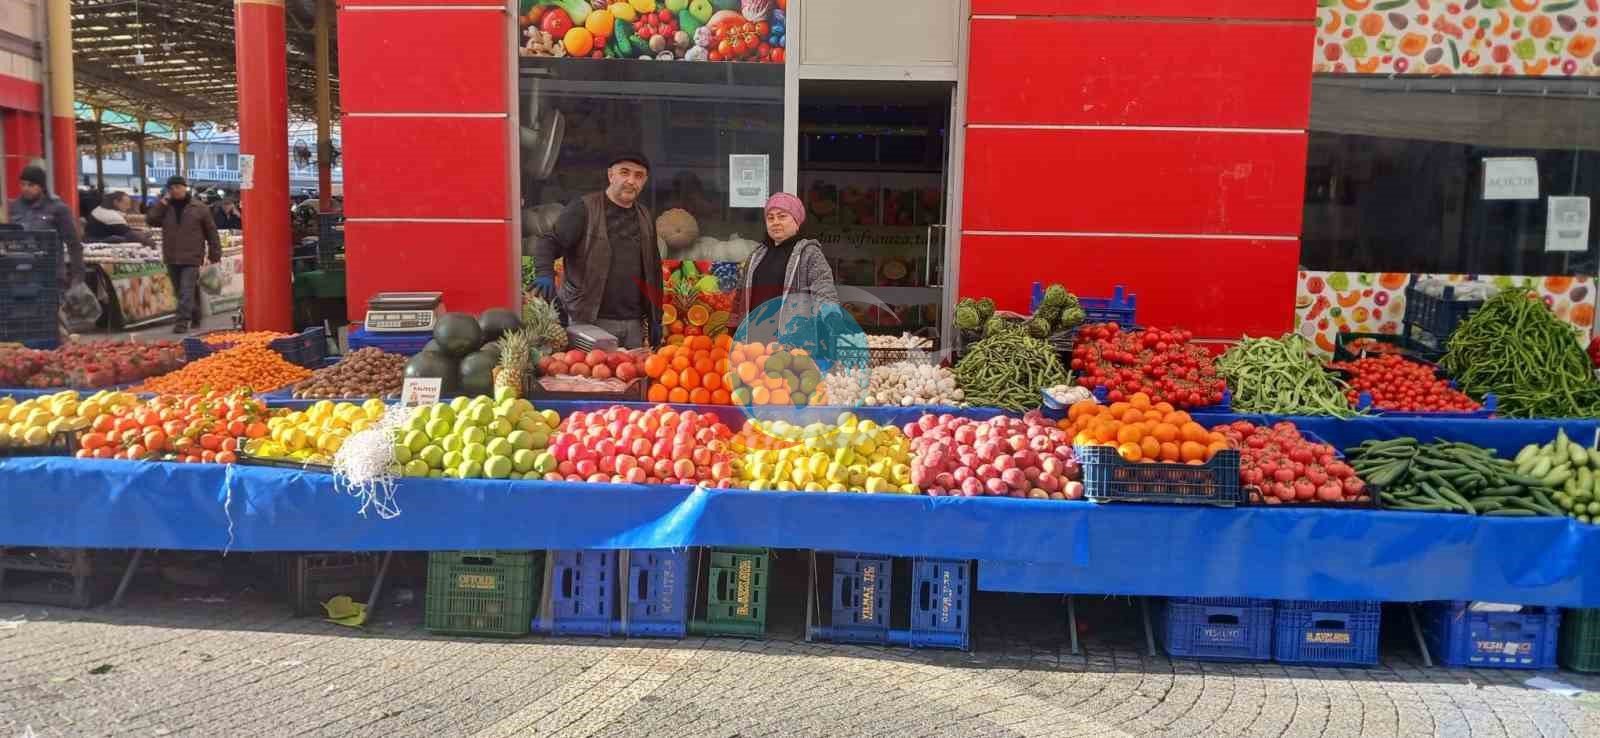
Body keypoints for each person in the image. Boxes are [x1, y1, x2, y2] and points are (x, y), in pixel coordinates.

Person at [531, 153, 663, 349]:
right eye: (624, 172)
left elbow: (654, 270)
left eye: (638, 176)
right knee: (591, 370)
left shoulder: (645, 216)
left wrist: (655, 317)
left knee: (633, 370)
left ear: (644, 181)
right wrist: (544, 273)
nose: (631, 181)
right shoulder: (584, 208)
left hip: (633, 324)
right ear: (611, 175)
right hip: (590, 321)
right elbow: (549, 241)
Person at [737, 193, 839, 350]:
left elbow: (823, 288)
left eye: (782, 216)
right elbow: (740, 293)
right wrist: (734, 326)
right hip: (753, 343)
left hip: (791, 344)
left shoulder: (809, 253)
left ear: (797, 222)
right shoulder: (757, 255)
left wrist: (831, 317)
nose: (775, 222)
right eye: (770, 218)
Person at [146, 175, 221, 333]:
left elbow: (211, 231)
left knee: (186, 289)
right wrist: (163, 203)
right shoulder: (165, 207)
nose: (175, 190)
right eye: (171, 188)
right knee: (181, 290)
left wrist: (215, 253)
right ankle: (195, 313)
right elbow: (151, 220)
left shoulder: (199, 208)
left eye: (178, 187)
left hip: (192, 255)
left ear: (185, 187)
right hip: (171, 255)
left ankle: (182, 322)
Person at [7, 164, 84, 286]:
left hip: (50, 275)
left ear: (42, 186)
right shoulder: (14, 207)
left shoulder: (58, 208)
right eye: (23, 184)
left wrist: (78, 278)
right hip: (19, 274)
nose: (26, 188)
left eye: (31, 185)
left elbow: (73, 244)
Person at [85, 191, 154, 244]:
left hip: (92, 240)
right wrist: (149, 241)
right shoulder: (110, 215)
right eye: (126, 204)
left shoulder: (99, 209)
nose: (129, 207)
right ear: (116, 202)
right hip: (98, 244)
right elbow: (130, 235)